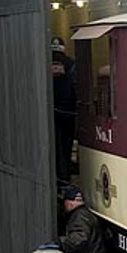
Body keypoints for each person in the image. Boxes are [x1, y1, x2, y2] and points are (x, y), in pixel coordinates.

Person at [51, 37, 77, 183]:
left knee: (53, 145)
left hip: (49, 112)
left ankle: (55, 176)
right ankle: (65, 175)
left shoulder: (42, 63)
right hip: (68, 112)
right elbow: (76, 87)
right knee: (66, 144)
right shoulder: (71, 64)